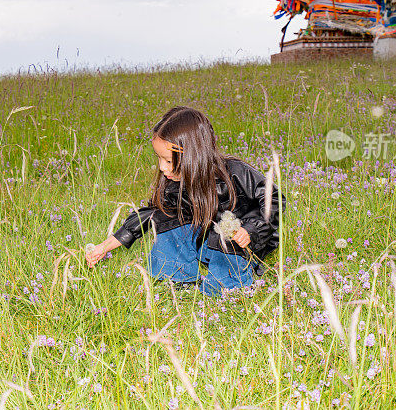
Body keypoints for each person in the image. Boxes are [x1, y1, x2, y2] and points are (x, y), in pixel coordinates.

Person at [85, 106, 285, 296]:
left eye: (168, 161)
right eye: (159, 159)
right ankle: (176, 278)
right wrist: (104, 246)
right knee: (163, 217)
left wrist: (250, 229)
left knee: (225, 234)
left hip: (242, 244)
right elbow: (146, 216)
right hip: (206, 240)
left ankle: (229, 287)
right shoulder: (175, 184)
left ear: (194, 156)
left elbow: (274, 200)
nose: (162, 167)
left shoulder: (235, 173)